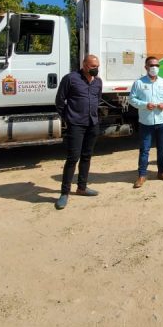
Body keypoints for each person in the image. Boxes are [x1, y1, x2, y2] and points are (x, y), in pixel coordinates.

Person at [54, 54, 103, 210]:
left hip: (92, 124)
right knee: (73, 158)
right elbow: (59, 101)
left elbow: (98, 99)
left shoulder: (98, 82)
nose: (96, 69)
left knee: (87, 156)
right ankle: (64, 193)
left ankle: (82, 187)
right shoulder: (70, 78)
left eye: (97, 66)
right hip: (76, 124)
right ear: (84, 65)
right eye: (93, 66)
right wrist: (68, 118)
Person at [128, 56, 163, 188]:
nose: (154, 67)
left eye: (157, 65)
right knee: (144, 150)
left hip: (161, 121)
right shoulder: (139, 83)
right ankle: (142, 175)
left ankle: (162, 172)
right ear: (146, 67)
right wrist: (144, 105)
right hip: (145, 122)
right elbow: (132, 99)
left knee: (162, 149)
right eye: (151, 65)